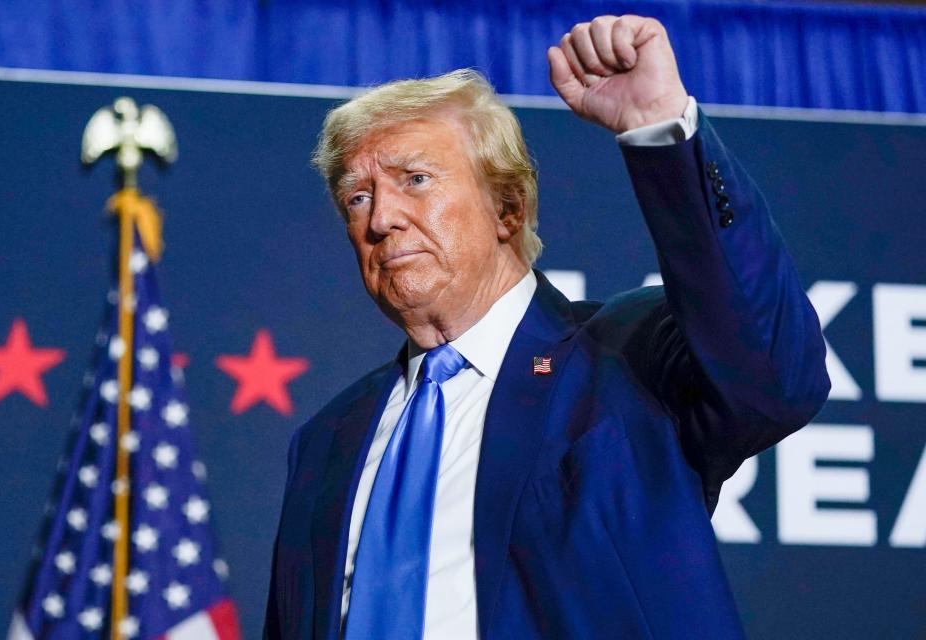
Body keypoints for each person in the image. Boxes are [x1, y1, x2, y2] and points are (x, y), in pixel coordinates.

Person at [265, 14, 830, 640]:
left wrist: (659, 130)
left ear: (507, 208)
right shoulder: (324, 444)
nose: (382, 219)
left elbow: (776, 375)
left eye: (414, 180)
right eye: (358, 198)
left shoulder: (627, 358)